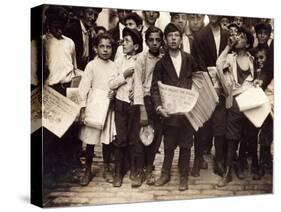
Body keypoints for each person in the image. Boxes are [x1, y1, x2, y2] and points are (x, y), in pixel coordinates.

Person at [151, 23, 198, 191]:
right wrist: (158, 107)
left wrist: (194, 99)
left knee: (186, 145)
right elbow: (155, 88)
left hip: (186, 113)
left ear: (180, 39)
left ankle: (183, 176)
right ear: (165, 39)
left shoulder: (189, 59)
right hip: (169, 113)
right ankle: (165, 173)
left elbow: (198, 80)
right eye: (169, 36)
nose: (173, 39)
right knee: (169, 144)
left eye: (176, 35)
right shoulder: (161, 64)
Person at [216, 26, 255, 187]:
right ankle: (227, 172)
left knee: (246, 135)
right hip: (235, 102)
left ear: (247, 42)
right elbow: (218, 65)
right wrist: (228, 46)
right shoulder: (230, 58)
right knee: (231, 137)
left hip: (251, 102)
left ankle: (239, 164)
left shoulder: (252, 59)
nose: (238, 38)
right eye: (236, 35)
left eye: (242, 36)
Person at [42, 5, 79, 176]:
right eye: (55, 24)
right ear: (48, 23)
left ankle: (67, 166)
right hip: (50, 90)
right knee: (50, 132)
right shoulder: (42, 42)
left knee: (69, 131)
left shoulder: (69, 43)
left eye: (62, 25)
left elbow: (74, 67)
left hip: (68, 88)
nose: (58, 28)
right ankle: (51, 168)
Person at [192, 15, 229, 177]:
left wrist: (222, 80)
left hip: (223, 84)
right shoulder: (200, 35)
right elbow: (198, 62)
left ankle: (219, 160)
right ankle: (198, 158)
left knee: (220, 122)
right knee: (202, 124)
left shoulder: (227, 34)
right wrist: (209, 83)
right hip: (205, 83)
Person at [78, 33, 117, 186]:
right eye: (102, 46)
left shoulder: (114, 66)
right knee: (90, 140)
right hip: (94, 105)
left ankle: (107, 168)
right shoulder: (91, 66)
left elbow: (115, 84)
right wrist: (83, 107)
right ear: (95, 48)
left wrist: (113, 94)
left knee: (107, 141)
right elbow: (84, 88)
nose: (105, 50)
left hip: (108, 106)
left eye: (108, 47)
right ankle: (87, 170)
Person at [108, 28, 143, 188]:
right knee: (121, 138)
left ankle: (135, 171)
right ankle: (118, 172)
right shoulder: (119, 62)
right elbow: (111, 83)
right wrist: (124, 75)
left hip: (135, 105)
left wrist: (135, 91)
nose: (123, 43)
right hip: (121, 104)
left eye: (127, 41)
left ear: (136, 46)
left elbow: (143, 82)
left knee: (134, 139)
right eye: (123, 40)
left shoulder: (141, 61)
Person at [134, 26, 164, 186]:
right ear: (146, 41)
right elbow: (138, 84)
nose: (154, 43)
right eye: (151, 40)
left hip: (159, 101)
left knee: (155, 138)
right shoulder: (141, 59)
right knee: (142, 137)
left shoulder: (164, 58)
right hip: (144, 100)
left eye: (158, 40)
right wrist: (142, 109)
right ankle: (139, 171)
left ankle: (148, 170)